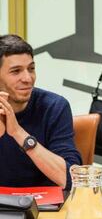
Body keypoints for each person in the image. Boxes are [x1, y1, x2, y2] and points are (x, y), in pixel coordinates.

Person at [0, 34, 81, 189]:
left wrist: (18, 133)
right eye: (16, 71)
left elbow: (71, 179)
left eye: (31, 69)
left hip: (45, 208)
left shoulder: (55, 107)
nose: (28, 78)